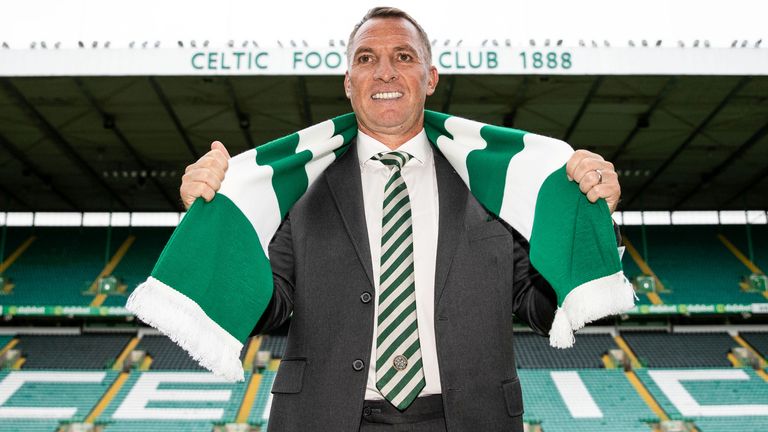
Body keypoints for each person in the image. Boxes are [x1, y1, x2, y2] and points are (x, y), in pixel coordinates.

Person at [179, 7, 621, 432]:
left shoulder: (494, 179)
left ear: (429, 78)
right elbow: (265, 307)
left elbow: (538, 306)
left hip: (469, 418)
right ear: (348, 82)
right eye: (366, 58)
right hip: (325, 417)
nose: (385, 71)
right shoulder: (298, 182)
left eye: (403, 57)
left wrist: (592, 215)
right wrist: (213, 222)